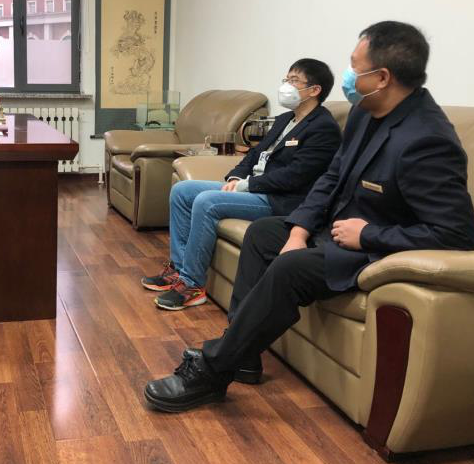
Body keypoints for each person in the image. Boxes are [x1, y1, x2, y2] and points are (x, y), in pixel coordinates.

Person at [144, 21, 474, 412]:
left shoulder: (427, 138)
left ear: (382, 77)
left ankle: (213, 371)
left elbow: (457, 232)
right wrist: (299, 230)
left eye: (355, 67)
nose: (349, 76)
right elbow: (332, 177)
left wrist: (369, 235)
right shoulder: (365, 113)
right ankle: (243, 352)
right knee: (264, 234)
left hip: (369, 248)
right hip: (333, 229)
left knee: (290, 269)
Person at [142, 59, 341, 312]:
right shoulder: (285, 119)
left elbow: (295, 176)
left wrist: (248, 185)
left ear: (314, 90)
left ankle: (192, 285)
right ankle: (179, 271)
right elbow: (254, 154)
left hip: (280, 198)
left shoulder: (324, 128)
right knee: (182, 191)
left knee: (206, 201)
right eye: (286, 79)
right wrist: (235, 178)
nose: (286, 86)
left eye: (294, 81)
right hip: (253, 187)